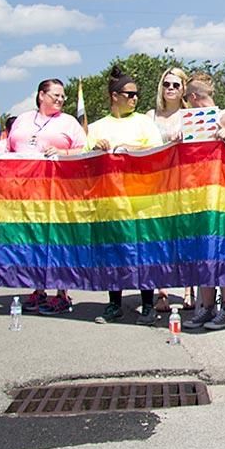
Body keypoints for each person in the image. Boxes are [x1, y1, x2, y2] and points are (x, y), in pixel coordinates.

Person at [86, 66, 164, 326]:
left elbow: (156, 152)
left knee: (143, 252)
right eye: (129, 94)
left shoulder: (144, 122)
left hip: (141, 201)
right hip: (110, 202)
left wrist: (129, 149)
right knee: (114, 254)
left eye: (136, 94)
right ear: (114, 96)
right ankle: (114, 304)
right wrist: (96, 149)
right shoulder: (97, 127)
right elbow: (84, 163)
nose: (134, 98)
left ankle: (148, 304)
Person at [9, 78, 88, 315]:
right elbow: (10, 148)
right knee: (33, 240)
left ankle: (61, 293)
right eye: (56, 95)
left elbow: (85, 149)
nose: (61, 99)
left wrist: (63, 152)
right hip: (26, 192)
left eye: (63, 96)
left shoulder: (69, 122)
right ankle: (38, 288)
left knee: (57, 240)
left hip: (58, 192)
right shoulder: (23, 119)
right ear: (41, 95)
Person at [180, 73, 225, 330]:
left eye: (187, 99)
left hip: (224, 193)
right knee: (203, 251)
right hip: (199, 195)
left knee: (224, 250)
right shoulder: (187, 123)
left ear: (194, 97)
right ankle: (207, 307)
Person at [146, 66, 190, 311]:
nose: (170, 89)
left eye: (176, 85)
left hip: (185, 184)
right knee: (159, 240)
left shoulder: (191, 115)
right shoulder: (150, 116)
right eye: (166, 84)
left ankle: (189, 290)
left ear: (184, 88)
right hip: (157, 185)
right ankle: (161, 291)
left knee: (185, 238)